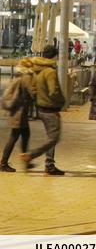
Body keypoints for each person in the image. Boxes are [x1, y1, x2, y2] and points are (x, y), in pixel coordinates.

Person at [21, 46, 65, 175]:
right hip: (50, 108)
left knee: (51, 136)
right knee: (54, 137)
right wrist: (61, 102)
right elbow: (54, 91)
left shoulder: (36, 69)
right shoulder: (50, 72)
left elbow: (33, 88)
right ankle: (32, 155)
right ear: (54, 56)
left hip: (40, 107)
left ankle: (49, 164)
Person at [1, 63, 34, 172]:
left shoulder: (18, 76)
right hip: (19, 113)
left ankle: (25, 161)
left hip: (16, 112)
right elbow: (32, 92)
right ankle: (3, 163)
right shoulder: (26, 77)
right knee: (14, 136)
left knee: (25, 134)